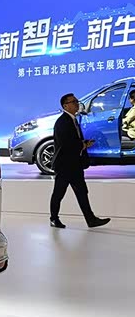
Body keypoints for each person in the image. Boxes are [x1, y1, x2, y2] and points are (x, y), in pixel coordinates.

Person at [49, 93, 110, 229]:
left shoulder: (73, 120)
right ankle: (54, 218)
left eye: (76, 101)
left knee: (82, 192)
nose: (77, 103)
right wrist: (83, 144)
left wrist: (83, 144)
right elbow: (66, 144)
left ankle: (91, 219)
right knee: (59, 193)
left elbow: (73, 141)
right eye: (74, 102)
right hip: (64, 165)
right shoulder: (62, 122)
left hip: (75, 164)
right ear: (65, 105)